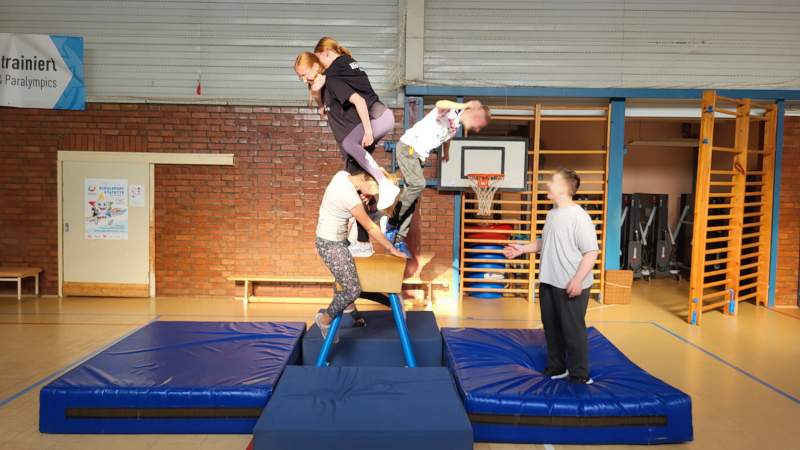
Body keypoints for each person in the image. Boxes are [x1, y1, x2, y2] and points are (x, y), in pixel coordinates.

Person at [295, 44, 399, 257]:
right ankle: (369, 221)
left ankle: (364, 239)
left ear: (316, 66)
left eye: (305, 75)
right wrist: (316, 92)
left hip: (363, 132)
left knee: (352, 183)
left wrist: (368, 130)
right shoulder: (325, 87)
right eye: (300, 78)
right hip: (352, 143)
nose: (304, 80)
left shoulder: (334, 80)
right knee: (353, 188)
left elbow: (359, 100)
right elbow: (324, 112)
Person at [503, 168, 599, 385]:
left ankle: (580, 374)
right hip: (549, 281)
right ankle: (557, 367)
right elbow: (545, 242)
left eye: (552, 181)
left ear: (563, 188)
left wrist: (577, 279)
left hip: (571, 283)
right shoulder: (553, 213)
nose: (547, 184)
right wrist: (522, 249)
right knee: (552, 328)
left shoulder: (579, 217)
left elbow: (591, 252)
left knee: (572, 331)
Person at [388, 99, 491, 257]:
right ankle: (390, 222)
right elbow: (439, 103)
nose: (477, 129)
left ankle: (398, 239)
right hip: (409, 147)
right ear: (473, 114)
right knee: (418, 184)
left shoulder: (455, 127)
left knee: (413, 197)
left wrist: (446, 153)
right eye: (478, 124)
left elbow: (447, 140)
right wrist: (464, 105)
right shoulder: (451, 111)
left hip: (419, 156)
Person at [314, 166, 407, 341]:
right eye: (375, 193)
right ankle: (323, 321)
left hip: (336, 240)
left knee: (344, 287)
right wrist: (392, 249)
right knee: (351, 290)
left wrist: (367, 196)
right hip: (331, 244)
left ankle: (358, 314)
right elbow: (370, 227)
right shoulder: (349, 195)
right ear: (371, 185)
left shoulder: (343, 175)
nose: (373, 196)